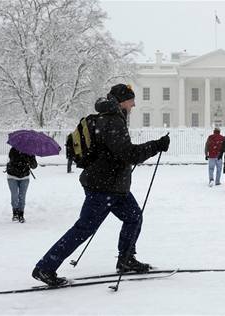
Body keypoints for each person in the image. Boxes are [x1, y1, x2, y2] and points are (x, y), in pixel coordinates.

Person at [32, 83, 170, 286]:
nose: (134, 105)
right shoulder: (113, 120)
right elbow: (127, 154)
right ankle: (45, 268)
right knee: (84, 229)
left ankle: (126, 259)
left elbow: (116, 154)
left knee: (134, 217)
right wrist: (156, 146)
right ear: (122, 101)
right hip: (103, 186)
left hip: (114, 186)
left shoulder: (109, 118)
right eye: (131, 100)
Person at [6, 147, 37, 223]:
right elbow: (12, 160)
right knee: (15, 195)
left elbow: (34, 166)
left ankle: (21, 214)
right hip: (12, 176)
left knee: (22, 196)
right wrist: (21, 159)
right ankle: (15, 213)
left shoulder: (30, 151)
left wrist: (30, 160)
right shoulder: (13, 150)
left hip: (25, 177)